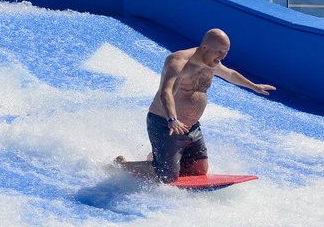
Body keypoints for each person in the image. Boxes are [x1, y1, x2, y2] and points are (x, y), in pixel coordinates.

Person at [116, 28, 276, 183]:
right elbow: (166, 92)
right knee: (166, 176)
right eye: (219, 52)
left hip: (191, 126)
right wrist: (172, 119)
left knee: (198, 170)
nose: (222, 57)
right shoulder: (178, 62)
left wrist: (253, 86)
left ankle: (159, 157)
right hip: (166, 124)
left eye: (225, 52)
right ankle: (122, 165)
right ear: (205, 47)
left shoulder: (212, 62)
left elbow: (230, 74)